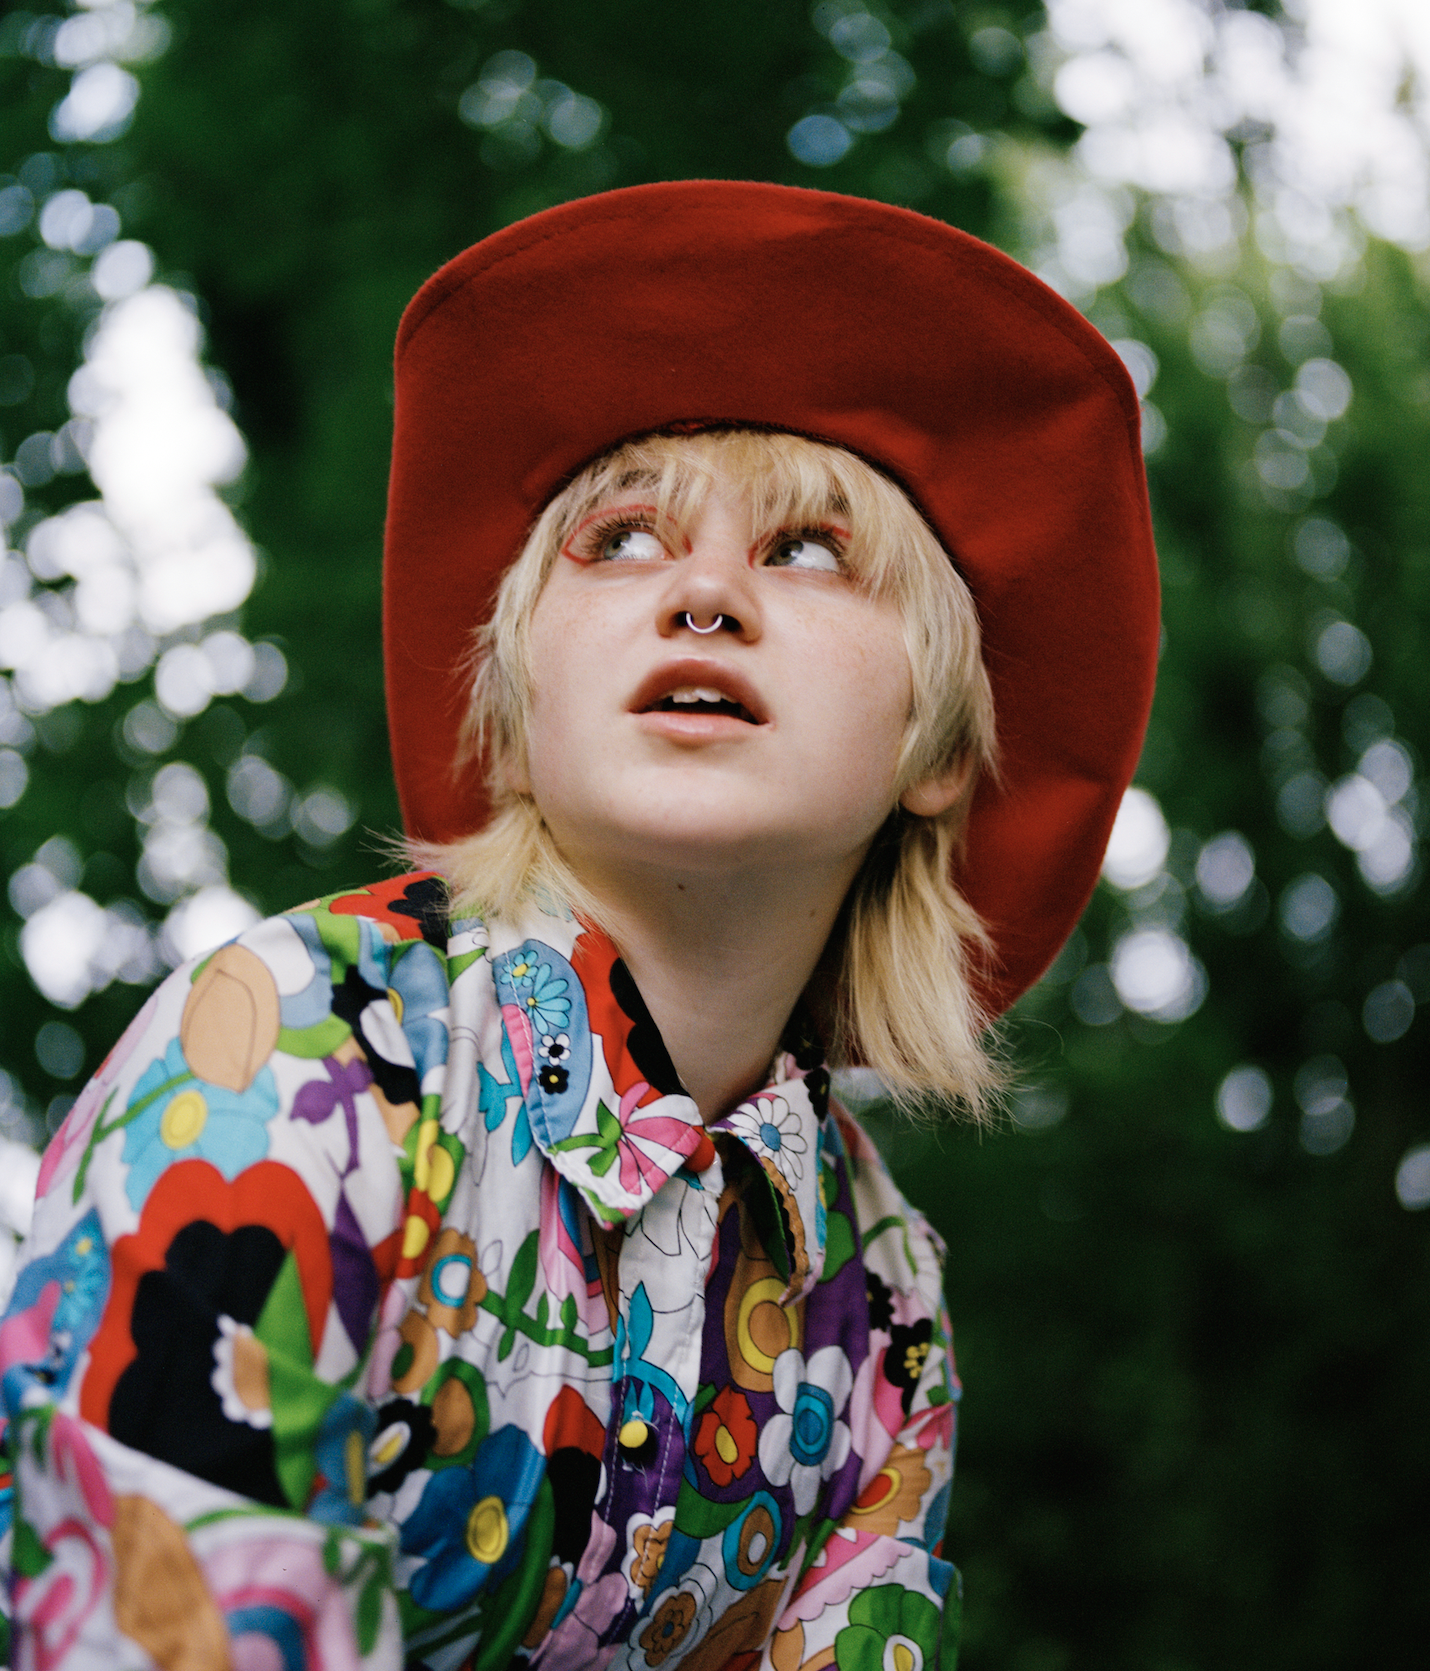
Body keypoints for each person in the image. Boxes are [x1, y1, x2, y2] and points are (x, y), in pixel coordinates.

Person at [0, 181, 1157, 1670]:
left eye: (808, 550)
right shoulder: (291, 1056)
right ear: (515, 701)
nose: (703, 592)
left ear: (937, 748)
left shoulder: (881, 1301)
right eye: (618, 541)